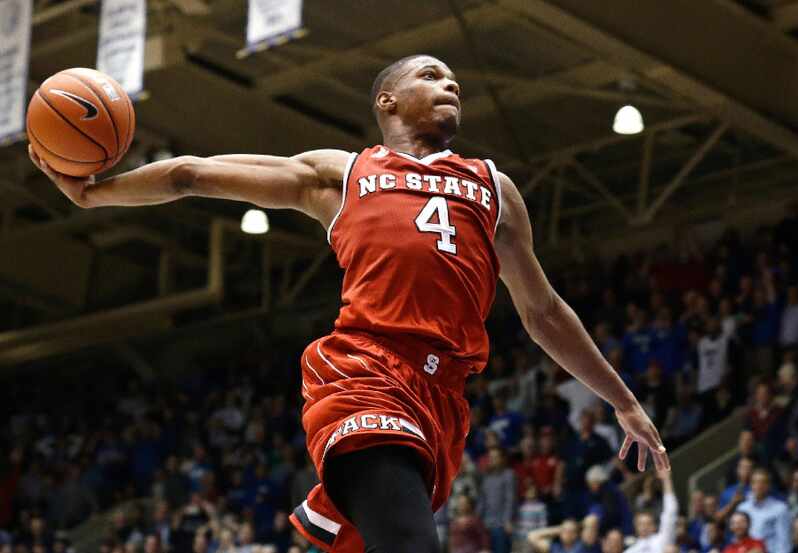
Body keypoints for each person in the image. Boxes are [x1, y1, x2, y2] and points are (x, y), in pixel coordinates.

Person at [31, 54, 670, 553]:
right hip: (363, 373)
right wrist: (96, 195)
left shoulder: (493, 188)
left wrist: (623, 400)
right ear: (388, 101)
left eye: (454, 81)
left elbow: (544, 313)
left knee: (400, 539)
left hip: (442, 399)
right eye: (431, 75)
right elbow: (192, 173)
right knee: (410, 544)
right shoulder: (345, 173)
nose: (451, 86)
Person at [736, 469, 790, 553]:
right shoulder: (742, 508)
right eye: (755, 482)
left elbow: (784, 540)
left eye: (763, 482)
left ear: (769, 485)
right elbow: (737, 537)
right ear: (751, 485)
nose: (759, 486)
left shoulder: (780, 508)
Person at [623, 472, 678, 553]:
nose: (644, 527)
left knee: (670, 549)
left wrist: (666, 480)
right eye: (641, 524)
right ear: (636, 526)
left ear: (654, 526)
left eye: (648, 524)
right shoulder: (631, 551)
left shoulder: (662, 540)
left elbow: (670, 512)